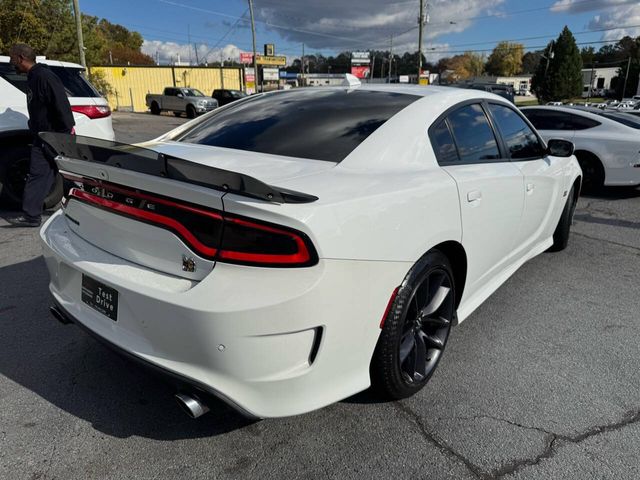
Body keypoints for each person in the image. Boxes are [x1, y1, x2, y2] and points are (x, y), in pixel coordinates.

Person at [6, 43, 75, 227]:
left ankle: (84, 212)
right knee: (38, 174)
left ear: (21, 58)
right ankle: (31, 216)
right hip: (41, 136)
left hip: (56, 136)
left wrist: (65, 133)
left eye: (12, 58)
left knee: (72, 175)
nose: (12, 62)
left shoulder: (44, 76)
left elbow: (61, 104)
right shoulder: (33, 77)